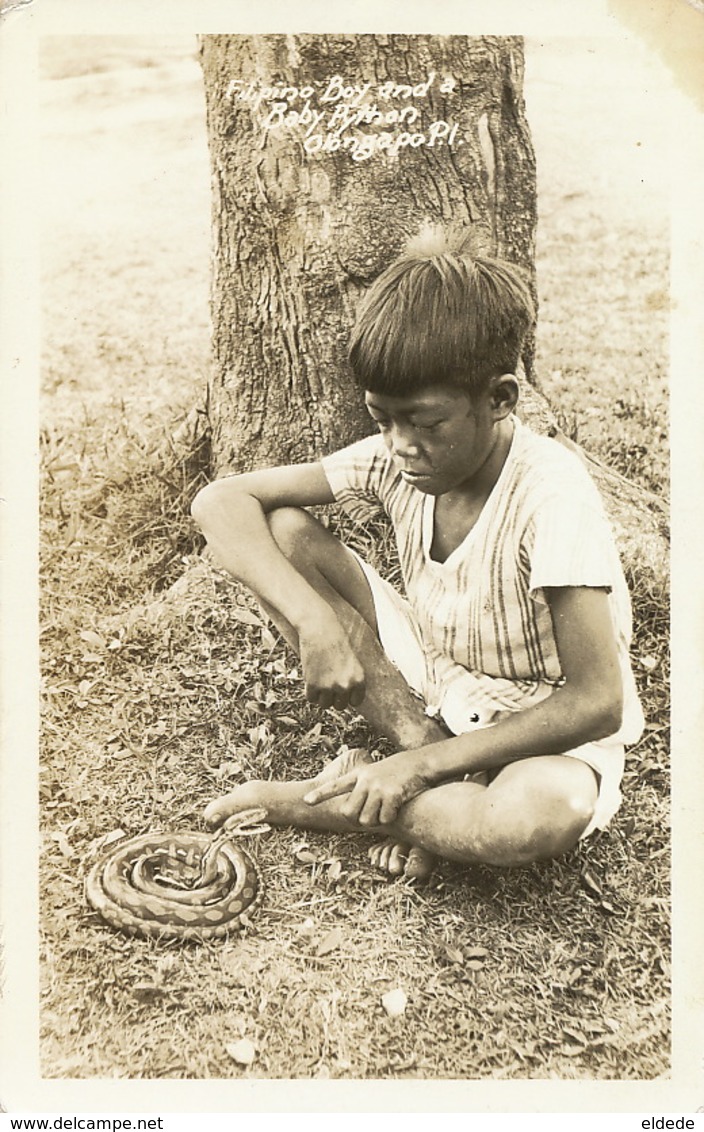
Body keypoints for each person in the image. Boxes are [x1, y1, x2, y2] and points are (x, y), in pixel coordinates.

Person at [191, 245, 644, 881]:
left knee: (539, 814)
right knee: (286, 531)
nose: (403, 445)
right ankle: (427, 774)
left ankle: (328, 801)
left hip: (539, 724)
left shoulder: (552, 496)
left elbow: (599, 702)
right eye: (383, 419)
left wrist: (418, 771)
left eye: (426, 422)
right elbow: (222, 501)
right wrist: (313, 621)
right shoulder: (392, 457)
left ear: (501, 398)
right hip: (437, 680)